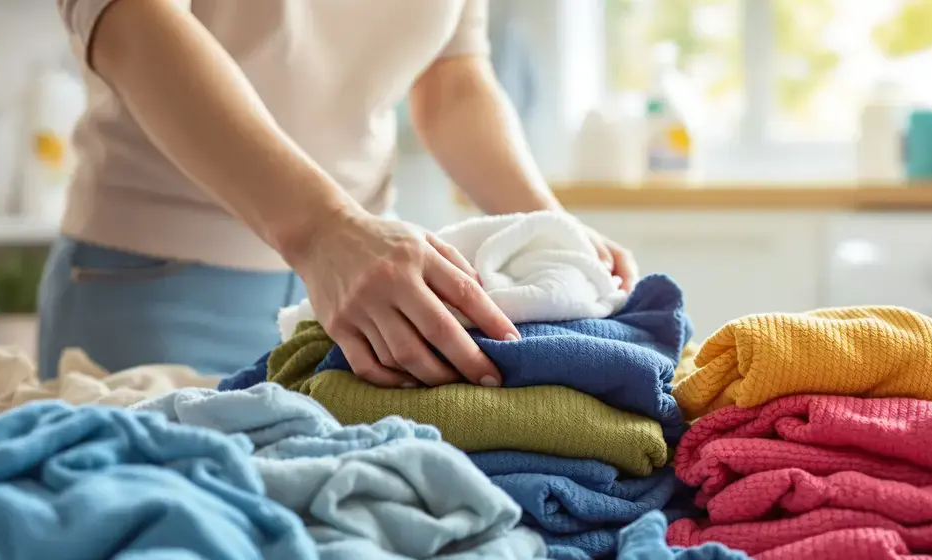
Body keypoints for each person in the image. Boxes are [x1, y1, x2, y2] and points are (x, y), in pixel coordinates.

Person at [41, 0, 638, 389]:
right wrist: (323, 231)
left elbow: (452, 75)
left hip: (366, 296)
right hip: (154, 285)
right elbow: (130, 22)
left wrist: (545, 226)